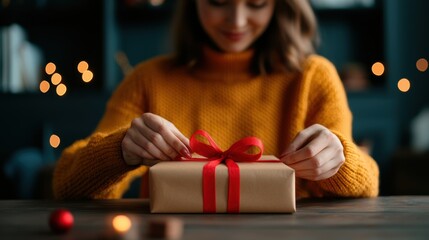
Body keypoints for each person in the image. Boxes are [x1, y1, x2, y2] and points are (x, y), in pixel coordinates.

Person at [53, 0, 379, 199]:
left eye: (256, 3)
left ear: (279, 4)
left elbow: (369, 184)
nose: (236, 21)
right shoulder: (147, 80)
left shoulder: (313, 78)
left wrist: (339, 158)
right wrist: (119, 150)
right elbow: (65, 183)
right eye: (218, 1)